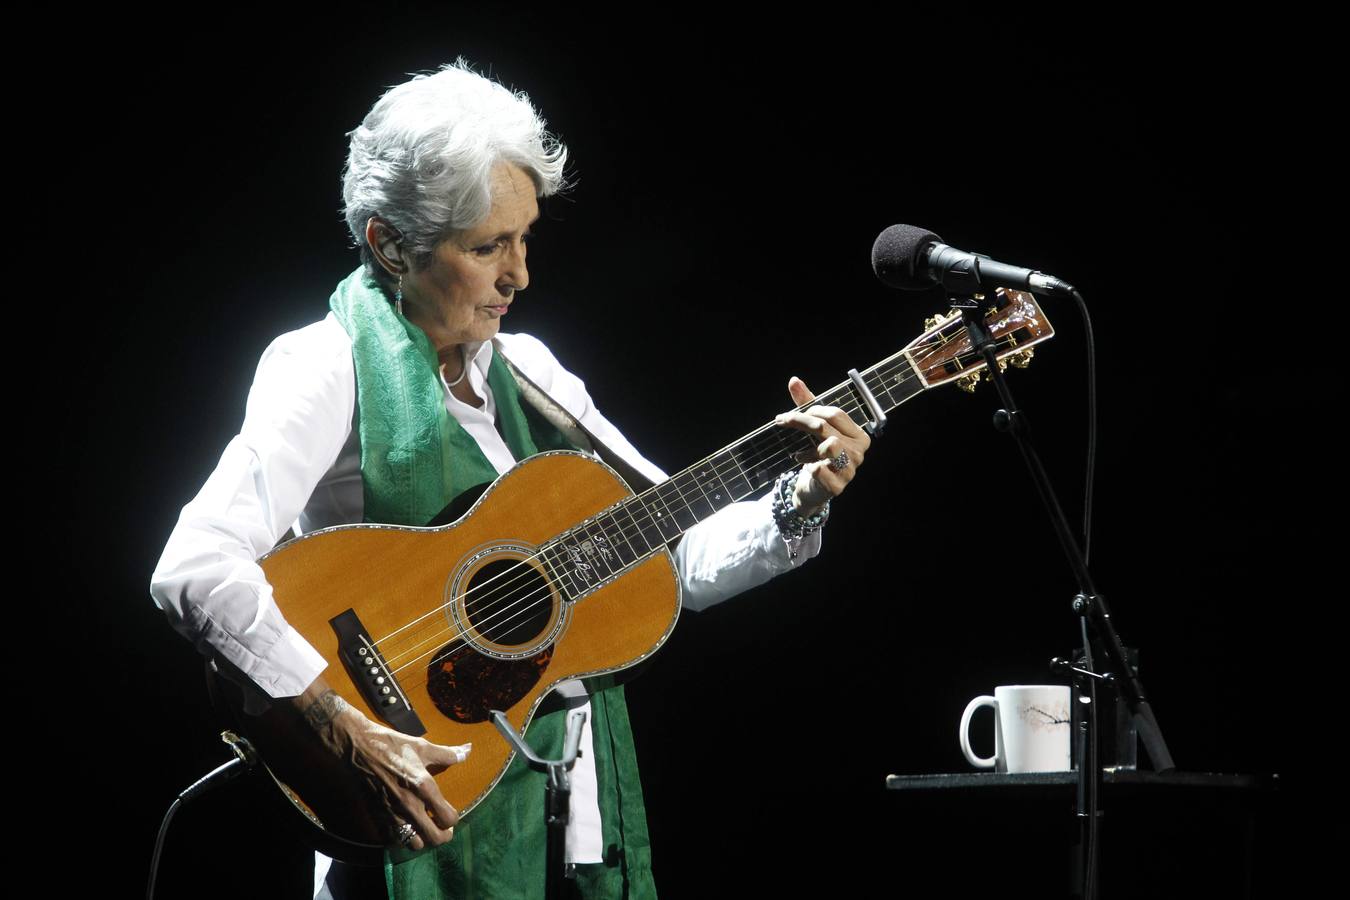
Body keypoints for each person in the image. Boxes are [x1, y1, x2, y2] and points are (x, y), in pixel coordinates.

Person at [150, 60, 870, 899]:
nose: (519, 273)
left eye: (525, 239)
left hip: (568, 822)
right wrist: (341, 725)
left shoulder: (534, 375)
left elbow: (666, 560)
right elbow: (194, 567)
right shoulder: (324, 365)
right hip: (420, 808)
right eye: (487, 245)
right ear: (390, 243)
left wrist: (802, 496)